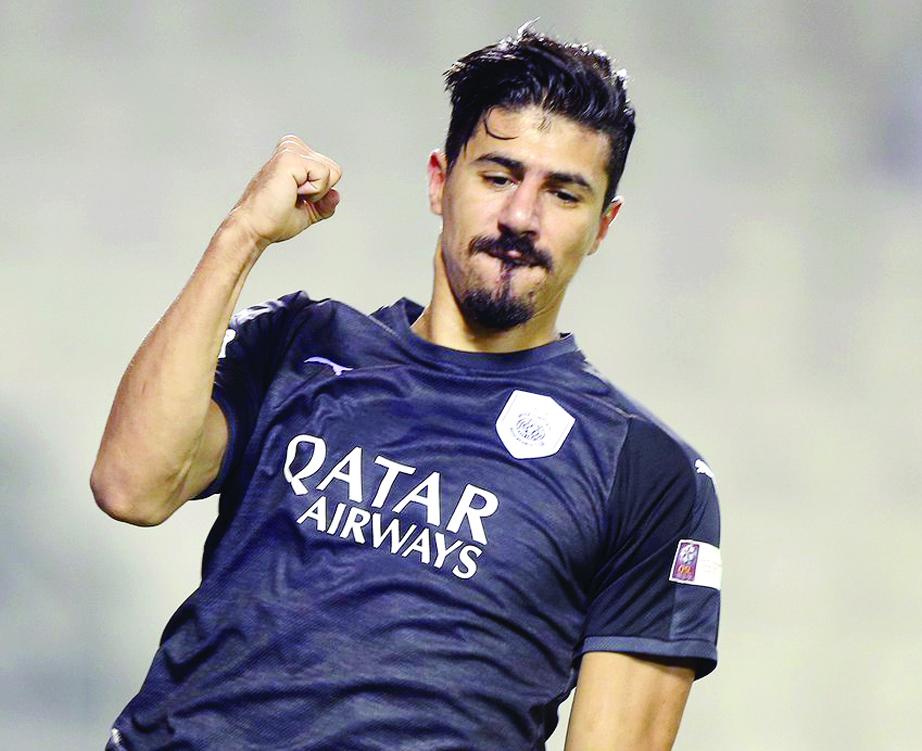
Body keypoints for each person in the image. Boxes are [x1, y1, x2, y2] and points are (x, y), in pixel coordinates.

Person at [92, 25, 722, 751]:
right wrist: (242, 235)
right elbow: (130, 484)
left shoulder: (647, 473)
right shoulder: (298, 343)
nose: (521, 217)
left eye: (564, 193)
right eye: (497, 176)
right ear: (438, 181)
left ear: (603, 225)